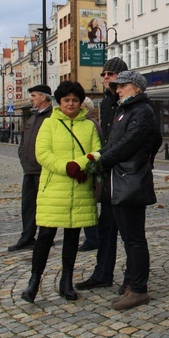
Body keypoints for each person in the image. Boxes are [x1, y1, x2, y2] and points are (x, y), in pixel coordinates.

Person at [20, 81, 101, 304]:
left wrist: (81, 164)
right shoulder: (49, 124)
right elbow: (43, 154)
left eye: (75, 100)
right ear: (59, 102)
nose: (71, 104)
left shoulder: (89, 125)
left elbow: (97, 151)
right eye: (66, 100)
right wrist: (68, 167)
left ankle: (66, 281)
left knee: (72, 237)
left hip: (79, 189)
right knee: (45, 236)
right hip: (54, 189)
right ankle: (34, 282)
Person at [91, 70, 160, 311]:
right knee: (128, 238)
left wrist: (101, 160)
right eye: (116, 86)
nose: (117, 90)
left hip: (130, 181)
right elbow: (113, 143)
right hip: (119, 180)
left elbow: (129, 143)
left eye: (123, 86)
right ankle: (132, 283)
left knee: (134, 238)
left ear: (137, 88)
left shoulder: (142, 111)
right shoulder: (125, 110)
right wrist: (101, 155)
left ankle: (139, 289)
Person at [75, 56, 130, 293]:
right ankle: (102, 273)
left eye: (111, 73)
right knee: (106, 228)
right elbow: (106, 139)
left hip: (126, 176)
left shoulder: (131, 103)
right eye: (104, 74)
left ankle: (133, 277)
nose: (106, 77)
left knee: (130, 232)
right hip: (108, 174)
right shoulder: (106, 104)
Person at [8, 85, 53, 252]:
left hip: (43, 170)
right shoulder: (32, 118)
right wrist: (22, 156)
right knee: (28, 206)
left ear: (43, 97)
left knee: (45, 206)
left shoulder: (52, 118)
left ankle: (45, 237)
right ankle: (27, 236)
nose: (31, 99)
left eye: (33, 95)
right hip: (29, 170)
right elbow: (23, 142)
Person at [79, 96, 101, 252]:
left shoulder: (90, 124)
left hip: (90, 171)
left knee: (88, 205)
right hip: (89, 170)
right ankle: (92, 237)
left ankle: (93, 238)